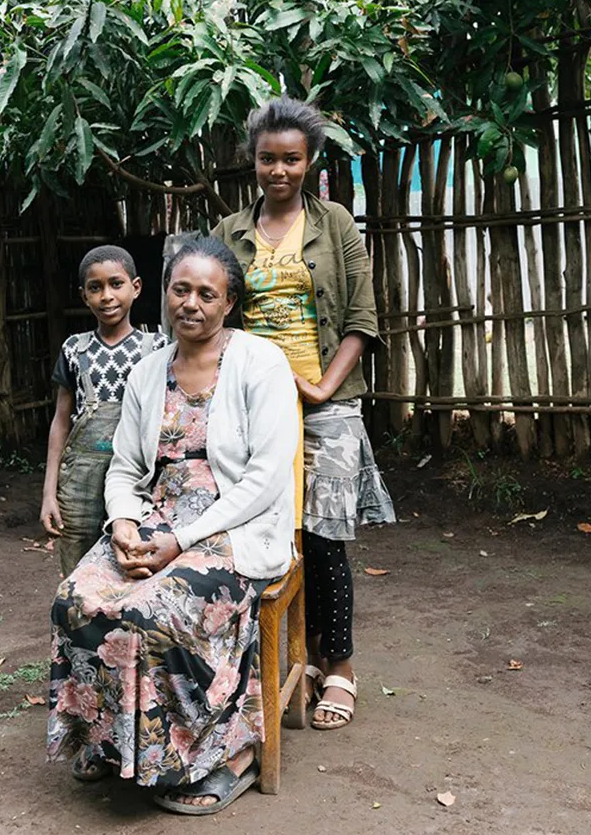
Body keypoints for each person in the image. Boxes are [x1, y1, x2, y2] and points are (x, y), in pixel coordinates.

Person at [48, 237, 298, 816]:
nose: (191, 304)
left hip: (236, 529)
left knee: (153, 612)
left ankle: (222, 753)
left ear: (229, 302)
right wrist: (124, 525)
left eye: (206, 294)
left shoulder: (261, 363)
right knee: (74, 601)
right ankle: (108, 739)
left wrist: (179, 543)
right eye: (180, 290)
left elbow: (264, 480)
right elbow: (125, 468)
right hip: (156, 522)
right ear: (164, 295)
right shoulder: (148, 371)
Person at [213, 96, 396, 732]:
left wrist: (319, 391)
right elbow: (214, 321)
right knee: (258, 536)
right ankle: (287, 659)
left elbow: (363, 321)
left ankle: (338, 665)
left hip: (326, 406)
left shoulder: (336, 224)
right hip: (250, 407)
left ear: (311, 160)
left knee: (322, 538)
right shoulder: (228, 233)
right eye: (268, 159)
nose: (279, 171)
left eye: (292, 160)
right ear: (252, 161)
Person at [41, 245, 168, 577]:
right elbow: (60, 422)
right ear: (84, 296)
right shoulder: (74, 348)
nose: (106, 296)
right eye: (95, 288)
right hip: (80, 482)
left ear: (136, 287)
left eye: (116, 284)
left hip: (138, 477)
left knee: (134, 560)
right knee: (79, 568)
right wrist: (49, 492)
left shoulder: (158, 347)